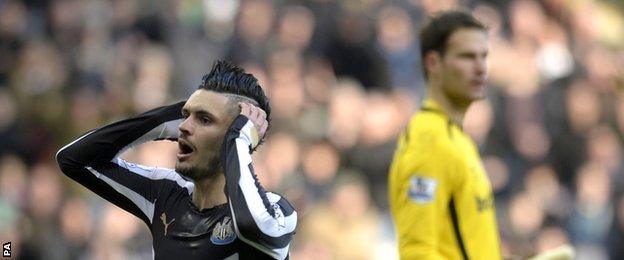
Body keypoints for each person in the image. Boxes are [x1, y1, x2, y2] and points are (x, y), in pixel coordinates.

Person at [56, 61, 297, 260]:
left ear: (239, 138)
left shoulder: (279, 212)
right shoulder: (165, 194)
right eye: (184, 116)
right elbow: (73, 159)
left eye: (204, 119)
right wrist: (163, 120)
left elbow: (252, 225)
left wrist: (239, 138)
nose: (183, 127)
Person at [388, 10, 501, 259]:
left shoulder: (457, 137)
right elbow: (417, 252)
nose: (481, 67)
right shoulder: (429, 142)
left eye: (484, 56)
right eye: (467, 57)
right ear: (433, 63)